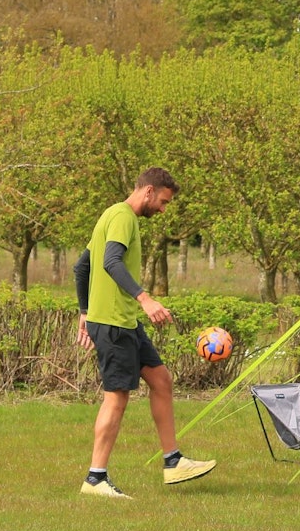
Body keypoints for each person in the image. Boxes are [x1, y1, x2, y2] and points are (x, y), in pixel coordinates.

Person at [73, 167, 216, 498]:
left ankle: (173, 461)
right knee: (117, 396)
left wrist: (84, 312)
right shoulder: (123, 218)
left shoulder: (110, 215)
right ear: (148, 191)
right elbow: (110, 262)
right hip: (113, 324)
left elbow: (82, 266)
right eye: (164, 202)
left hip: (122, 322)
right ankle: (95, 479)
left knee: (161, 380)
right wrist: (145, 298)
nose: (163, 209)